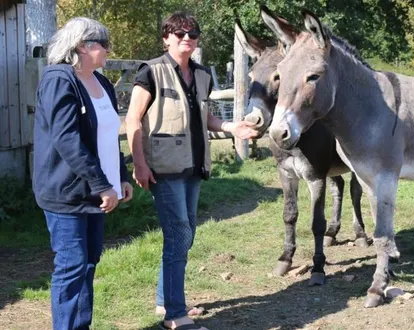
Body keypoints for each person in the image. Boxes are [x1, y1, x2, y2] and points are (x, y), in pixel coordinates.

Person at [125, 11, 258, 330]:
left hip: (194, 167)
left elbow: (205, 118)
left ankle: (164, 300)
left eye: (193, 33)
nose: (187, 38)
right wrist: (139, 164)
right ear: (166, 38)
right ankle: (174, 314)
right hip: (164, 169)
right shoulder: (151, 72)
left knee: (185, 236)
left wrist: (231, 127)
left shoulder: (201, 75)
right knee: (178, 235)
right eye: (180, 33)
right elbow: (132, 120)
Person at [32, 17, 134, 330]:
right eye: (102, 43)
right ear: (81, 46)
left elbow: (107, 135)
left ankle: (80, 325)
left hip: (96, 189)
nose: (108, 49)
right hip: (66, 191)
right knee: (72, 266)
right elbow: (67, 140)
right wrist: (102, 184)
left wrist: (121, 177)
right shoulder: (59, 79)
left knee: (89, 262)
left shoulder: (101, 82)